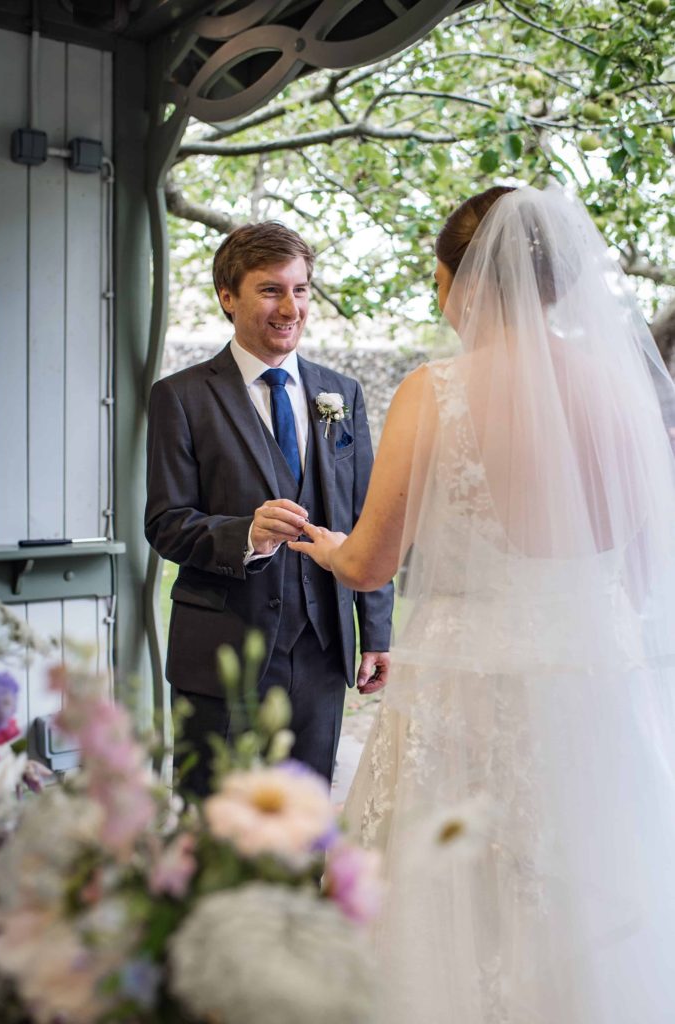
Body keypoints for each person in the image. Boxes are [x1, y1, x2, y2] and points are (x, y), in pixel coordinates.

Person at [290, 186, 675, 1022]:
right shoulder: (624, 395)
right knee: (578, 898)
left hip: (463, 700)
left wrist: (314, 540)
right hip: (590, 692)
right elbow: (645, 578)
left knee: (454, 913)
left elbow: (367, 562)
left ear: (461, 283)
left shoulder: (435, 392)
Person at [145, 222, 393, 796]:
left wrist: (375, 630)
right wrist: (246, 537)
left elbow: (364, 521)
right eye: (270, 290)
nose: (291, 307)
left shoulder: (342, 393)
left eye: (301, 289)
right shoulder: (180, 397)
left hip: (320, 654)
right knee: (215, 832)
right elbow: (165, 523)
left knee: (304, 830)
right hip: (221, 655)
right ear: (228, 297)